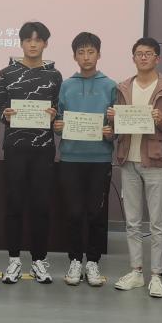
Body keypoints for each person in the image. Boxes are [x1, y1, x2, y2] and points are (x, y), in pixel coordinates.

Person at [110, 37, 162, 298]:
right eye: (139, 53)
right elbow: (117, 128)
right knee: (132, 221)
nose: (143, 57)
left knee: (157, 222)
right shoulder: (123, 87)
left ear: (157, 58)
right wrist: (113, 119)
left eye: (148, 53)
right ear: (133, 58)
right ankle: (136, 271)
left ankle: (157, 275)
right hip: (128, 159)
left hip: (156, 161)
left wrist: (161, 119)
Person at [0, 21, 63, 284]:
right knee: (13, 205)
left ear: (45, 43)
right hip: (15, 148)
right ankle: (13, 260)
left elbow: (59, 111)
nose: (33, 44)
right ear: (21, 42)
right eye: (28, 39)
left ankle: (38, 261)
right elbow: (0, 109)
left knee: (41, 207)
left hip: (43, 149)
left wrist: (55, 115)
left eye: (38, 40)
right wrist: (6, 113)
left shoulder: (54, 75)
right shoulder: (6, 73)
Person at [54, 32, 116, 287]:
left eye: (91, 52)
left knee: (95, 213)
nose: (86, 57)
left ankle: (93, 261)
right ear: (74, 56)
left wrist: (112, 132)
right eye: (81, 52)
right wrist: (58, 126)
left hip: (100, 159)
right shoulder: (67, 85)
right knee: (74, 212)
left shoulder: (111, 85)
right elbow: (59, 119)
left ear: (99, 54)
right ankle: (75, 260)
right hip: (71, 158)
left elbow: (117, 123)